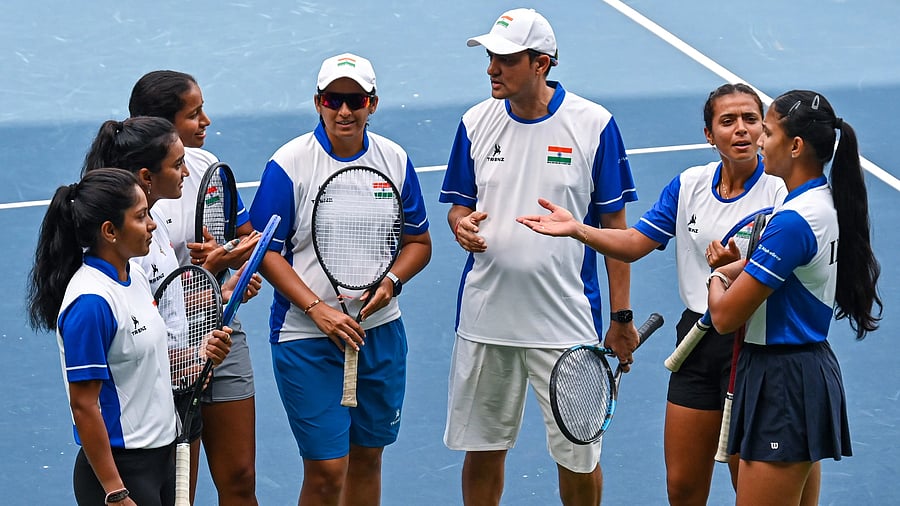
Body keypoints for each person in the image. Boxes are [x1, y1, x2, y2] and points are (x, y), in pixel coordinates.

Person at [517, 83, 797, 504]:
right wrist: (579, 229)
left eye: (750, 119)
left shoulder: (781, 191)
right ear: (708, 135)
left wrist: (735, 270)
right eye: (728, 121)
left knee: (751, 485)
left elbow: (791, 268)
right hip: (698, 337)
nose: (741, 130)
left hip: (755, 340)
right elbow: (634, 242)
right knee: (682, 487)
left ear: (763, 129)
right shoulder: (689, 185)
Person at [440, 8, 640, 505]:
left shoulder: (593, 125)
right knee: (483, 451)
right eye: (490, 57)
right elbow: (460, 207)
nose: (492, 69)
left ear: (541, 63)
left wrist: (621, 317)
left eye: (505, 60)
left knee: (578, 456)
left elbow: (615, 230)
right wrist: (460, 225)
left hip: (565, 323)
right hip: (486, 318)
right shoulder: (474, 122)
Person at [249, 52, 431, 505]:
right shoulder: (289, 164)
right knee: (329, 470)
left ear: (373, 103)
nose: (344, 111)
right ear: (318, 102)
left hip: (380, 333)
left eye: (355, 100)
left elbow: (419, 243)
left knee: (368, 458)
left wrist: (390, 283)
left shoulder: (395, 159)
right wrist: (318, 308)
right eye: (334, 100)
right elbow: (264, 251)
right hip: (306, 337)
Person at [706, 90, 881, 506]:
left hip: (783, 382)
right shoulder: (818, 202)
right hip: (796, 372)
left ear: (796, 146)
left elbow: (725, 317)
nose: (759, 141)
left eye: (766, 131)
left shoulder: (793, 221)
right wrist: (742, 269)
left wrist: (717, 274)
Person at [26, 168, 230, 506]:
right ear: (109, 231)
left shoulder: (133, 274)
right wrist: (115, 491)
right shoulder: (90, 304)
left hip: (163, 455)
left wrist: (201, 354)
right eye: (140, 217)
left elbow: (143, 356)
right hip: (123, 473)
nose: (152, 224)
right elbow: (84, 405)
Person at [128, 70, 260, 505]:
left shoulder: (204, 166)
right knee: (181, 486)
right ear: (160, 125)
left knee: (240, 477)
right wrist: (209, 274)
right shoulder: (124, 200)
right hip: (163, 346)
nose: (206, 121)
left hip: (219, 328)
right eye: (194, 113)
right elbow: (131, 297)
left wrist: (233, 267)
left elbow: (240, 234)